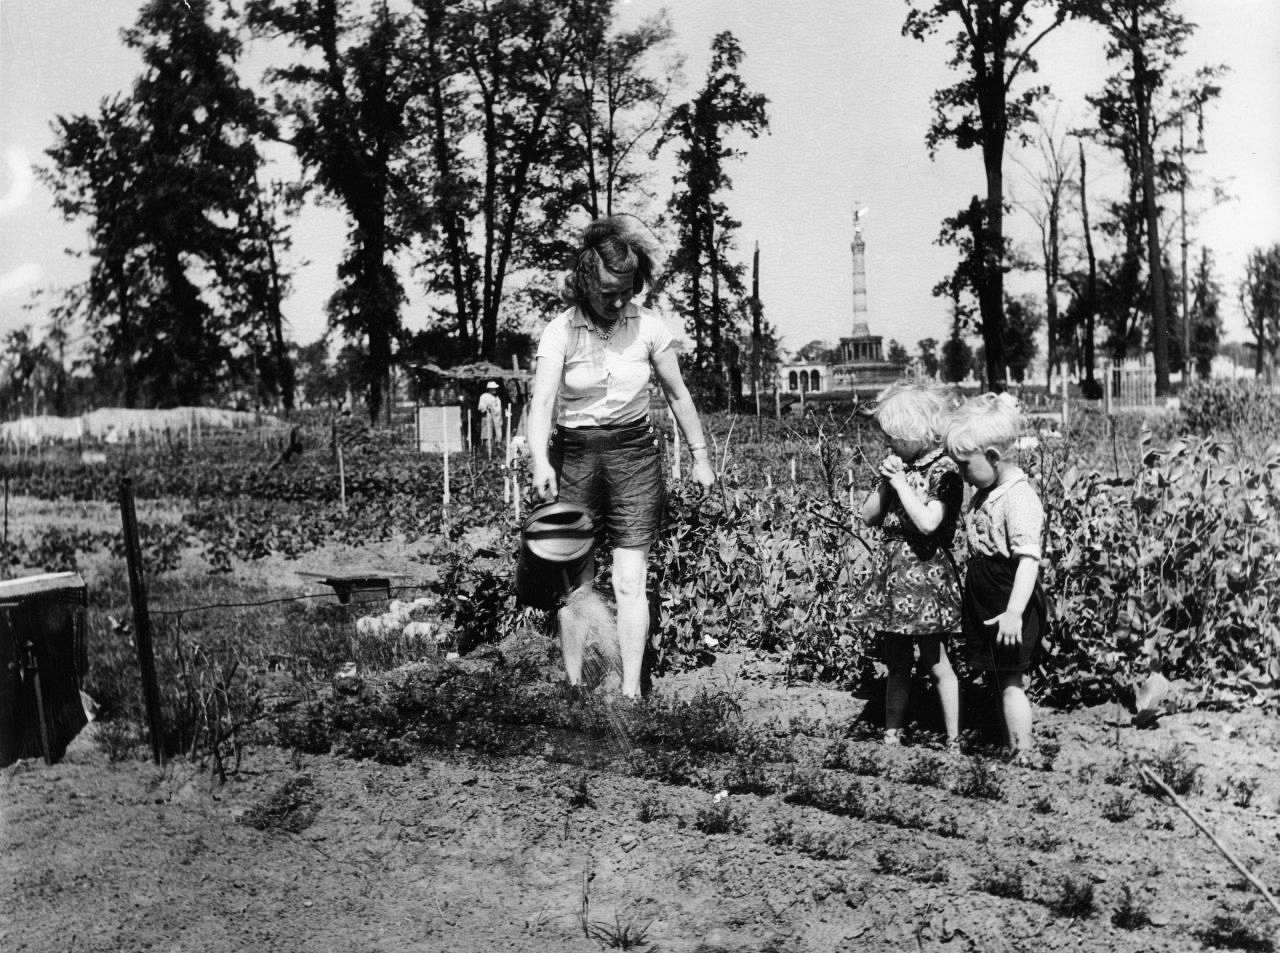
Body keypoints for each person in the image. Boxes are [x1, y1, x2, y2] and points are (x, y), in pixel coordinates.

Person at [528, 215, 715, 698]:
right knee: (576, 580)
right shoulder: (560, 332)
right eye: (608, 291)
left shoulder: (650, 327)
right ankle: (573, 689)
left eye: (627, 292)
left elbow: (678, 395)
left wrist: (700, 456)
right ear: (586, 280)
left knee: (630, 581)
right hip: (574, 457)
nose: (618, 302)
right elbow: (542, 405)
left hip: (634, 458)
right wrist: (540, 462)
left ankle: (632, 692)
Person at [944, 393, 1048, 763]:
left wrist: (1014, 612)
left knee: (1010, 683)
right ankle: (1007, 743)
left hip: (1009, 602)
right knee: (999, 679)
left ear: (991, 457)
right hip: (990, 602)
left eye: (963, 465)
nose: (960, 474)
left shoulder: (1018, 499)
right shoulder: (989, 491)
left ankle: (1022, 752)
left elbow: (1028, 561)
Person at [861, 381, 964, 750]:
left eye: (893, 438)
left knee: (936, 660)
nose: (888, 445)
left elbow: (928, 523)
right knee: (898, 660)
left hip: (924, 575)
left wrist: (900, 483)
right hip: (895, 575)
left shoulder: (945, 470)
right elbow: (868, 515)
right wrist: (887, 483)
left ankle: (953, 738)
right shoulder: (898, 468)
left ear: (916, 432)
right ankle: (892, 731)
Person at [478, 380, 504, 450]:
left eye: (495, 388)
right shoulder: (484, 396)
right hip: (487, 417)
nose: (494, 390)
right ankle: (488, 449)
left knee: (498, 434)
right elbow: (481, 407)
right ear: (489, 389)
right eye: (493, 388)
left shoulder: (497, 398)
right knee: (487, 435)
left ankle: (497, 447)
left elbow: (499, 409)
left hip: (496, 419)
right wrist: (486, 407)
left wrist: (500, 418)